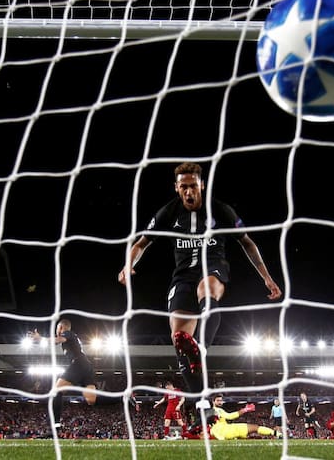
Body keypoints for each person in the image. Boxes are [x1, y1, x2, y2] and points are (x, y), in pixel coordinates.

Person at [118, 162, 282, 393]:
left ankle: (201, 348)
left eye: (193, 186)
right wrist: (128, 265)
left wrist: (266, 277)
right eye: (183, 187)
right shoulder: (168, 212)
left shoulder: (221, 210)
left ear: (202, 185)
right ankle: (200, 402)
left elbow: (247, 242)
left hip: (213, 267)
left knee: (207, 288)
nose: (188, 191)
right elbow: (140, 244)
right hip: (183, 276)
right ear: (176, 188)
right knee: (179, 339)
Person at [27, 319, 138, 431]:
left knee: (56, 392)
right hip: (86, 366)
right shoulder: (71, 338)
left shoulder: (68, 333)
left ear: (60, 327)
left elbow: (57, 340)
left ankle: (55, 427)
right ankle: (123, 397)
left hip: (78, 364)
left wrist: (40, 338)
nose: (56, 331)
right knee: (91, 400)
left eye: (57, 328)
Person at [185, 394, 281, 440]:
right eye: (218, 400)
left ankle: (277, 434)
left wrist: (190, 429)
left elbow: (200, 422)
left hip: (220, 431)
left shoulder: (211, 412)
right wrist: (245, 410)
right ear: (213, 402)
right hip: (226, 430)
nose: (220, 402)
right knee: (255, 427)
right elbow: (230, 416)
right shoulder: (216, 410)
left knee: (251, 431)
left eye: (221, 400)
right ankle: (278, 434)